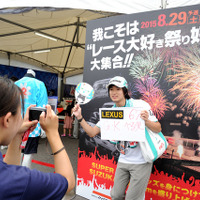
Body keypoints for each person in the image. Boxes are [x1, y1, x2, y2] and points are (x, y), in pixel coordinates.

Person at [73, 76, 161, 200]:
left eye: (118, 89)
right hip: (123, 159)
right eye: (111, 89)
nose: (114, 92)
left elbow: (158, 128)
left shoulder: (140, 105)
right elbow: (92, 132)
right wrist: (80, 117)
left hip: (141, 162)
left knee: (132, 198)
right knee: (116, 195)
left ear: (125, 91)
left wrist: (146, 121)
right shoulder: (110, 113)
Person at [0, 76, 75, 199]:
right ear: (8, 119)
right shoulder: (22, 181)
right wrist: (53, 133)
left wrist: (18, 134)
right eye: (20, 113)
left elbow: (10, 168)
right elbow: (68, 182)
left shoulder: (7, 175)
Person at [15, 69, 48, 168]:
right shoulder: (40, 84)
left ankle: (16, 175)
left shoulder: (15, 84)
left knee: (18, 151)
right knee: (28, 153)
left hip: (17, 125)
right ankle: (25, 177)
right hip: (33, 125)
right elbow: (43, 106)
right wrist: (43, 127)